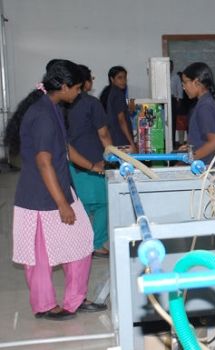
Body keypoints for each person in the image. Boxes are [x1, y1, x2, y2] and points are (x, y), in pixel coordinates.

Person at [4, 60, 107, 321]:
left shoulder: (54, 108)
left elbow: (66, 149)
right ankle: (45, 306)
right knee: (39, 256)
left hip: (60, 190)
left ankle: (75, 299)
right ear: (63, 86)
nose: (79, 93)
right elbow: (43, 161)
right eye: (76, 88)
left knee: (83, 243)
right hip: (39, 197)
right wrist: (63, 204)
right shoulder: (41, 115)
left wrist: (94, 167)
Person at [68, 64, 113, 258]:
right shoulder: (91, 103)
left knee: (80, 203)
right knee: (103, 203)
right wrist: (111, 156)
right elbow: (103, 134)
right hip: (93, 161)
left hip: (70, 161)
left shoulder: (60, 103)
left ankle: (80, 243)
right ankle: (94, 243)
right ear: (85, 82)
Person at [179, 62, 215, 169]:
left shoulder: (205, 106)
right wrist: (192, 146)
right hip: (209, 167)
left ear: (196, 82)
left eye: (185, 83)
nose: (184, 88)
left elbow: (214, 142)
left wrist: (189, 158)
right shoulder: (206, 102)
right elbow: (205, 137)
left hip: (208, 170)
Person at [99, 66, 137, 153]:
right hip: (120, 138)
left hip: (111, 137)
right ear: (112, 79)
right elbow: (121, 120)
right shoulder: (118, 93)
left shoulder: (107, 92)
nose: (123, 81)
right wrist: (132, 143)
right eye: (120, 78)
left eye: (125, 78)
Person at [170, 60, 184, 147]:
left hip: (173, 100)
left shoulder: (175, 77)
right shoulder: (161, 76)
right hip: (162, 101)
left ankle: (171, 142)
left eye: (171, 65)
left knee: (172, 122)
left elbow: (180, 90)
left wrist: (179, 102)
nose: (170, 67)